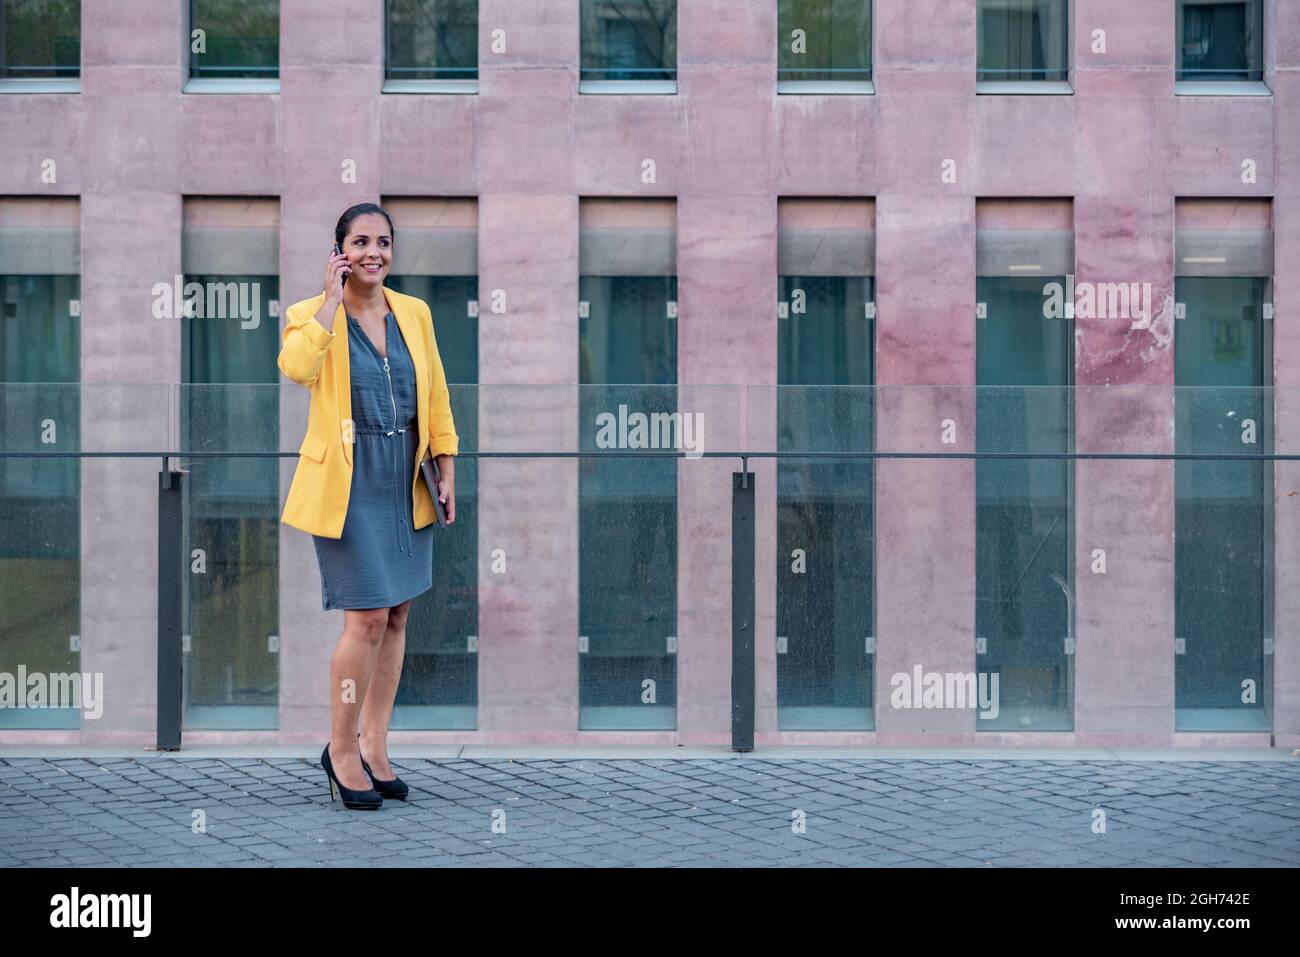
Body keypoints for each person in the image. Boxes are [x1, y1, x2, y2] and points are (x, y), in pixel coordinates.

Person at [277, 202, 458, 810]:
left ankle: (376, 745)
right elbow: (297, 368)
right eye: (359, 242)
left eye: (382, 242)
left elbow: (435, 393)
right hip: (348, 483)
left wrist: (446, 464)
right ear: (339, 251)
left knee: (400, 614)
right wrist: (329, 301)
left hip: (405, 474)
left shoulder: (415, 313)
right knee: (367, 619)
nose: (372, 252)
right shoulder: (309, 315)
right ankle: (340, 748)